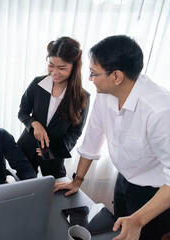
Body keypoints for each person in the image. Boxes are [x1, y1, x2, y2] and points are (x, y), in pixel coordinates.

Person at [55, 35, 170, 240]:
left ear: (116, 76)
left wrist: (139, 219)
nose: (90, 79)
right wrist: (77, 181)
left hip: (155, 192)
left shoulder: (160, 111)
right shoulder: (105, 93)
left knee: (143, 235)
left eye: (93, 73)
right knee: (116, 230)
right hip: (124, 179)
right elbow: (92, 137)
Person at [17, 37, 90, 178]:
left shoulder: (82, 97)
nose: (55, 72)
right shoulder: (37, 84)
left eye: (61, 68)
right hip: (27, 148)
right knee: (24, 190)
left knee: (55, 193)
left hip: (54, 157)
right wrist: (34, 123)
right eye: (51, 65)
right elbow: (23, 112)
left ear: (74, 67)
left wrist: (55, 150)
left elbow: (75, 132)